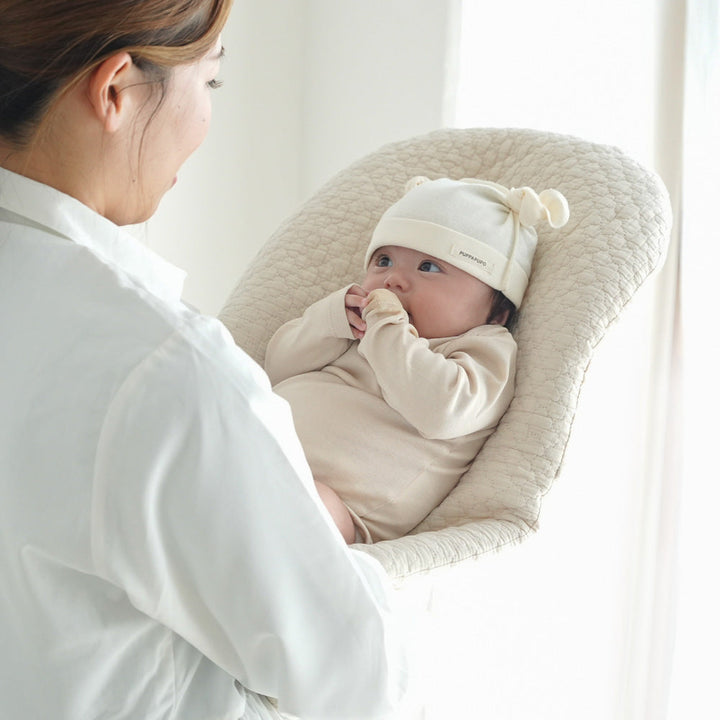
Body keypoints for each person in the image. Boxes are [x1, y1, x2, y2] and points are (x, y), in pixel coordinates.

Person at [0, 2, 406, 719]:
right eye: (209, 83)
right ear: (116, 89)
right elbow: (355, 678)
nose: (205, 122)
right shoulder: (159, 369)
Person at [265, 177, 569, 544]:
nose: (393, 280)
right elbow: (275, 369)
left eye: (428, 267)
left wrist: (389, 330)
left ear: (497, 311)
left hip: (337, 505)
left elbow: (441, 409)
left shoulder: (484, 348)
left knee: (298, 505)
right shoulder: (352, 324)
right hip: (257, 445)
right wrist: (327, 321)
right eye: (383, 260)